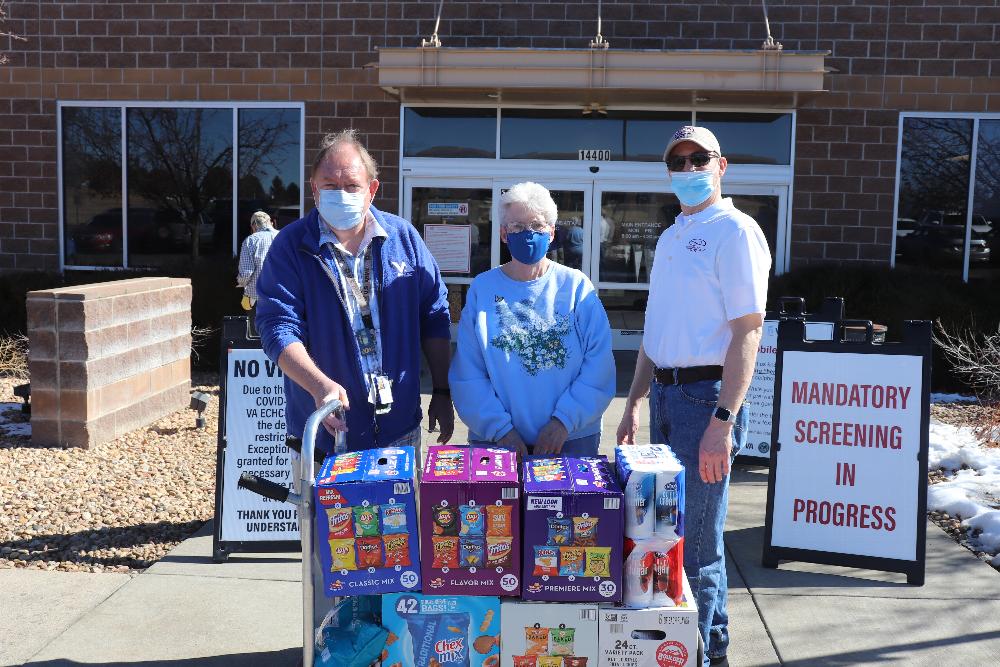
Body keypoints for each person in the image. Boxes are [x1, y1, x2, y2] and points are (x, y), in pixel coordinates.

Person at [617, 126, 771, 667]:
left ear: (721, 165)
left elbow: (749, 331)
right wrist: (634, 401)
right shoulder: (671, 237)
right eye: (678, 162)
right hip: (666, 397)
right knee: (671, 535)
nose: (688, 169)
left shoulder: (736, 232)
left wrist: (722, 422)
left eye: (698, 159)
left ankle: (698, 656)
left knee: (697, 546)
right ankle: (714, 647)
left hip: (706, 400)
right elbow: (655, 332)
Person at [255, 129, 455, 455]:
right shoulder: (290, 246)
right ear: (314, 189)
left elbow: (434, 314)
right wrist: (318, 386)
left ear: (372, 189)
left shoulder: (403, 239)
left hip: (399, 433)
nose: (341, 194)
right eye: (330, 185)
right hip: (327, 435)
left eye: (351, 186)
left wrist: (442, 391)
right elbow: (277, 326)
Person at [450, 182, 615, 456]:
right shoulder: (483, 289)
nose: (528, 234)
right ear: (503, 234)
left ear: (551, 233)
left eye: (537, 225)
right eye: (517, 226)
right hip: (496, 443)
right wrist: (500, 429)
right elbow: (468, 372)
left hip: (570, 439)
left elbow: (599, 366)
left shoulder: (576, 287)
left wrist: (563, 422)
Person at [236, 210, 278, 331]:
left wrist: (240, 282)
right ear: (271, 223)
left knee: (258, 335)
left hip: (257, 298)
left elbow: (246, 273)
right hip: (283, 296)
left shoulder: (251, 240)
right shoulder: (285, 237)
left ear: (254, 226)